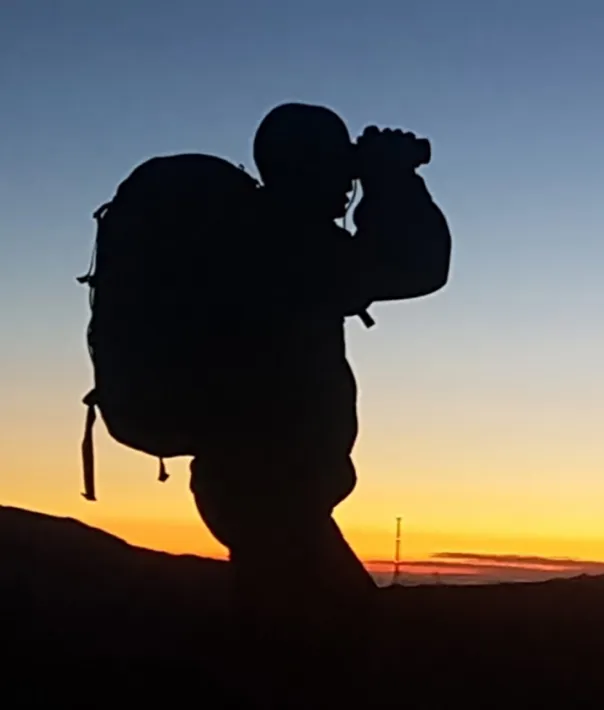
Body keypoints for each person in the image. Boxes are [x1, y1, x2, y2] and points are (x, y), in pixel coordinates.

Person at [187, 102, 451, 640]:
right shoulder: (288, 244)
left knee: (278, 638)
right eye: (337, 166)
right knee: (338, 643)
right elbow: (419, 266)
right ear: (309, 168)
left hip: (250, 486)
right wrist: (392, 182)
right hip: (272, 493)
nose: (345, 182)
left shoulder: (253, 237)